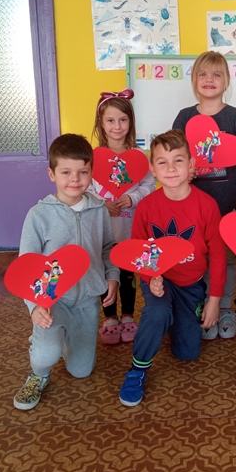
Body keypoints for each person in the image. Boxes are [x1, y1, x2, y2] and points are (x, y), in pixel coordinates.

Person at [118, 130, 226, 407]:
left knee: (188, 353)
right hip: (160, 280)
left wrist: (214, 301)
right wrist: (149, 277)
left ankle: (173, 319)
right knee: (157, 312)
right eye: (162, 162)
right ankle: (137, 369)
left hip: (191, 283)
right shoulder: (146, 207)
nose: (171, 168)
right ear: (153, 169)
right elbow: (139, 253)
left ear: (191, 165)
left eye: (178, 160)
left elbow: (217, 255)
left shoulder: (207, 205)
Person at [13, 134, 119, 411]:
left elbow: (107, 247)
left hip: (87, 301)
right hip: (52, 302)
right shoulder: (39, 215)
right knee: (45, 356)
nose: (75, 179)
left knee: (81, 371)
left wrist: (112, 277)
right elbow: (26, 266)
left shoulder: (99, 209)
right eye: (66, 172)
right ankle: (38, 372)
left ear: (91, 172)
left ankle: (63, 340)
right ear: (52, 174)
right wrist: (35, 306)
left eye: (83, 172)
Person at [173, 51, 236, 340]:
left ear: (226, 80)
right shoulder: (185, 116)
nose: (210, 79)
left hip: (228, 205)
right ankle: (205, 305)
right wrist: (186, 174)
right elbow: (176, 159)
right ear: (194, 80)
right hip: (193, 207)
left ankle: (226, 307)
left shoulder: (235, 116)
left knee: (227, 259)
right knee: (199, 257)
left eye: (216, 74)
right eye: (203, 74)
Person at [90, 88, 155, 344]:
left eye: (123, 120)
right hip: (103, 230)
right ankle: (110, 318)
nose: (117, 126)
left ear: (131, 121)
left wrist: (132, 198)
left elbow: (148, 185)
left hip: (129, 229)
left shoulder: (139, 157)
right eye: (110, 120)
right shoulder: (92, 158)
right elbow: (84, 189)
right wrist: (101, 204)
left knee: (128, 273)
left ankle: (128, 316)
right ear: (101, 123)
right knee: (106, 272)